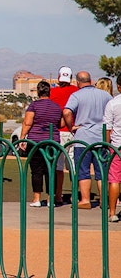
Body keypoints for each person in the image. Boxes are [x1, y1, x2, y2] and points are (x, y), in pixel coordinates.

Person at [63, 70, 112, 209]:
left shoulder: (76, 95)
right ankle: (104, 200)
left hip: (83, 137)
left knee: (83, 169)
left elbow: (66, 111)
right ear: (90, 80)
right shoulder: (105, 95)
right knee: (101, 170)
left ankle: (85, 200)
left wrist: (71, 126)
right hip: (101, 137)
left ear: (78, 82)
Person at [19, 80, 65, 207]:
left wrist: (23, 138)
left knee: (36, 170)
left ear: (38, 92)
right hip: (52, 141)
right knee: (51, 170)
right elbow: (60, 123)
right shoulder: (56, 107)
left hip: (36, 141)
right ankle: (51, 199)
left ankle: (37, 198)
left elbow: (28, 122)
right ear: (49, 92)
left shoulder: (34, 105)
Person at [50, 65, 79, 204]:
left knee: (58, 167)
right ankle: (75, 195)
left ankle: (58, 195)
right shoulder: (77, 91)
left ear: (58, 77)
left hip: (58, 133)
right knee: (73, 166)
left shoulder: (52, 92)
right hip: (74, 131)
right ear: (71, 78)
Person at [101, 72, 121, 222]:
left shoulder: (113, 103)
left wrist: (106, 146)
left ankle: (112, 212)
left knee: (114, 179)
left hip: (116, 145)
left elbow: (107, 128)